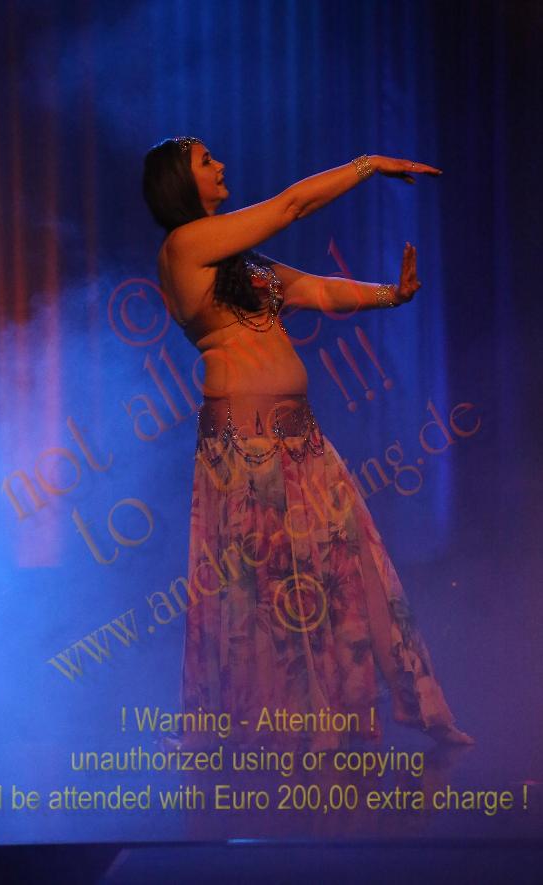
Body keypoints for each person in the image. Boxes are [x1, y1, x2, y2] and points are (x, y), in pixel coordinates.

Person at [142, 136, 474, 752]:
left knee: (351, 564)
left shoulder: (241, 262)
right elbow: (292, 205)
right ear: (178, 184)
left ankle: (407, 705)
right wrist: (368, 165)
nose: (221, 165)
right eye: (206, 162)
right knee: (267, 585)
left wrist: (392, 295)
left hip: (303, 438)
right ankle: (284, 723)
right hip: (245, 445)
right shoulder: (185, 245)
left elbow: (316, 290)